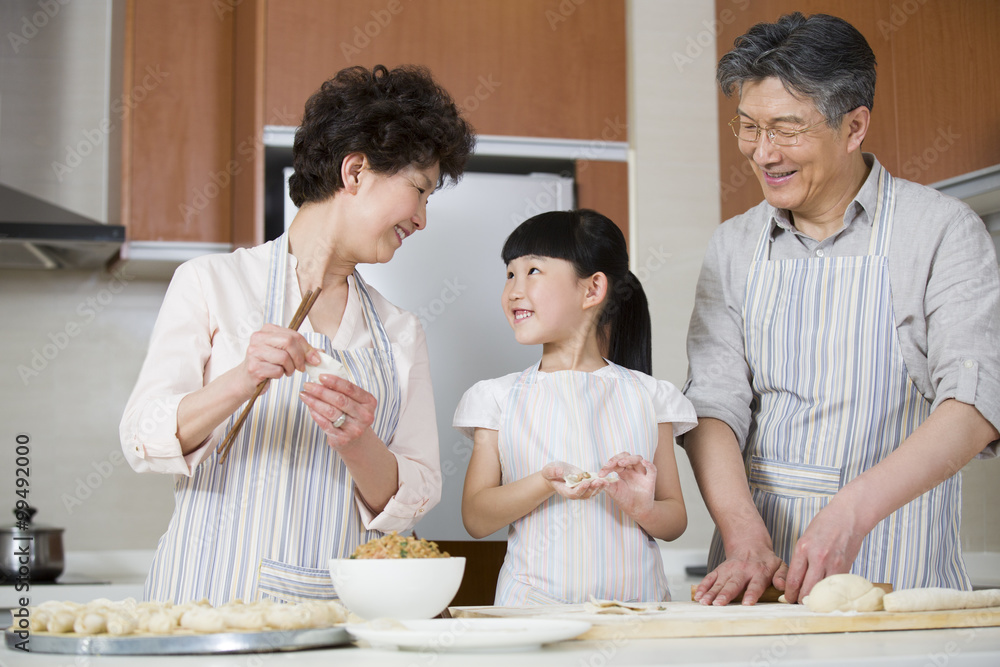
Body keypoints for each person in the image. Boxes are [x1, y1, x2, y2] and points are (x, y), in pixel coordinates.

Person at [120, 64, 475, 605]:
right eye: (419, 190)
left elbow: (417, 493)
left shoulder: (401, 331)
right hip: (202, 606)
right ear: (355, 171)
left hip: (335, 616)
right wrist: (242, 379)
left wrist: (359, 442)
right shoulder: (212, 283)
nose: (423, 219)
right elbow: (142, 437)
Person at [682, 12, 1000, 607]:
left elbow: (976, 401)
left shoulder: (940, 231)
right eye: (748, 127)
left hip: (899, 572)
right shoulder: (733, 245)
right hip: (757, 583)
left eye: (785, 128)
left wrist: (849, 513)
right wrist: (743, 534)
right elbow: (712, 405)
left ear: (854, 127)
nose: (763, 152)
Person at [456, 209, 697, 605]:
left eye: (533, 271)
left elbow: (674, 522)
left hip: (636, 616)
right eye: (509, 274)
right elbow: (477, 519)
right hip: (531, 614)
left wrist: (641, 506)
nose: (514, 290)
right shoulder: (496, 398)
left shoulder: (651, 397)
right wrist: (543, 483)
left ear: (591, 289)